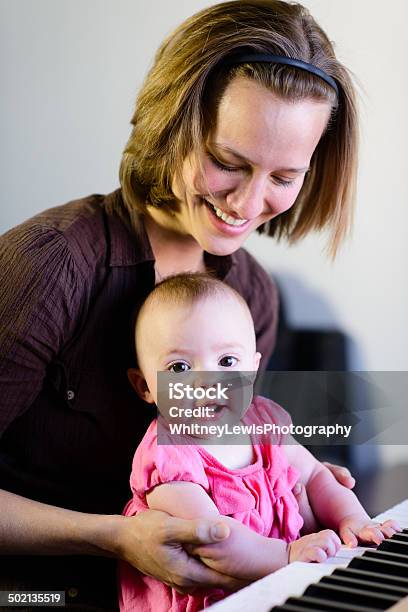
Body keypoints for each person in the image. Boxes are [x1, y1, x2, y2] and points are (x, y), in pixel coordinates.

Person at [0, 1, 358, 609]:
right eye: (227, 162)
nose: (248, 202)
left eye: (284, 176)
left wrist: (299, 487)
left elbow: (233, 458)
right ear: (172, 127)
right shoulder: (49, 265)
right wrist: (113, 537)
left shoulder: (253, 296)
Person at [119, 273, 401, 611]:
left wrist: (353, 520)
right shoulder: (169, 457)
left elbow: (314, 476)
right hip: (216, 599)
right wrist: (287, 554)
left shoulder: (263, 422)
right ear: (144, 386)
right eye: (179, 367)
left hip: (286, 577)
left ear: (252, 369)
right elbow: (214, 540)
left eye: (226, 361)